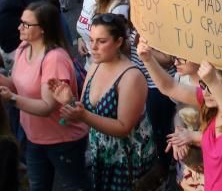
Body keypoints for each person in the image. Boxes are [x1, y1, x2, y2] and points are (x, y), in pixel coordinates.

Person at [0, 2, 91, 191]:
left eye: (26, 24)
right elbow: (16, 87)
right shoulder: (23, 49)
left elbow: (46, 107)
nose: (19, 27)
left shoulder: (54, 59)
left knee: (76, 186)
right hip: (34, 137)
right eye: (21, 22)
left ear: (43, 29)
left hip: (62, 140)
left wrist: (11, 99)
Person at [135, 42, 222, 191]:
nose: (206, 91)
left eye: (212, 84)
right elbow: (169, 86)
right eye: (203, 85)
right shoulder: (210, 104)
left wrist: (212, 82)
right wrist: (148, 59)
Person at [49, 13, 154, 191]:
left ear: (119, 42)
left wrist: (83, 115)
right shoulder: (95, 66)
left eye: (101, 41)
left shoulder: (131, 77)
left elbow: (123, 127)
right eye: (91, 40)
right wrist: (70, 101)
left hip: (127, 161)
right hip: (102, 154)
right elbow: (85, 112)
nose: (93, 47)